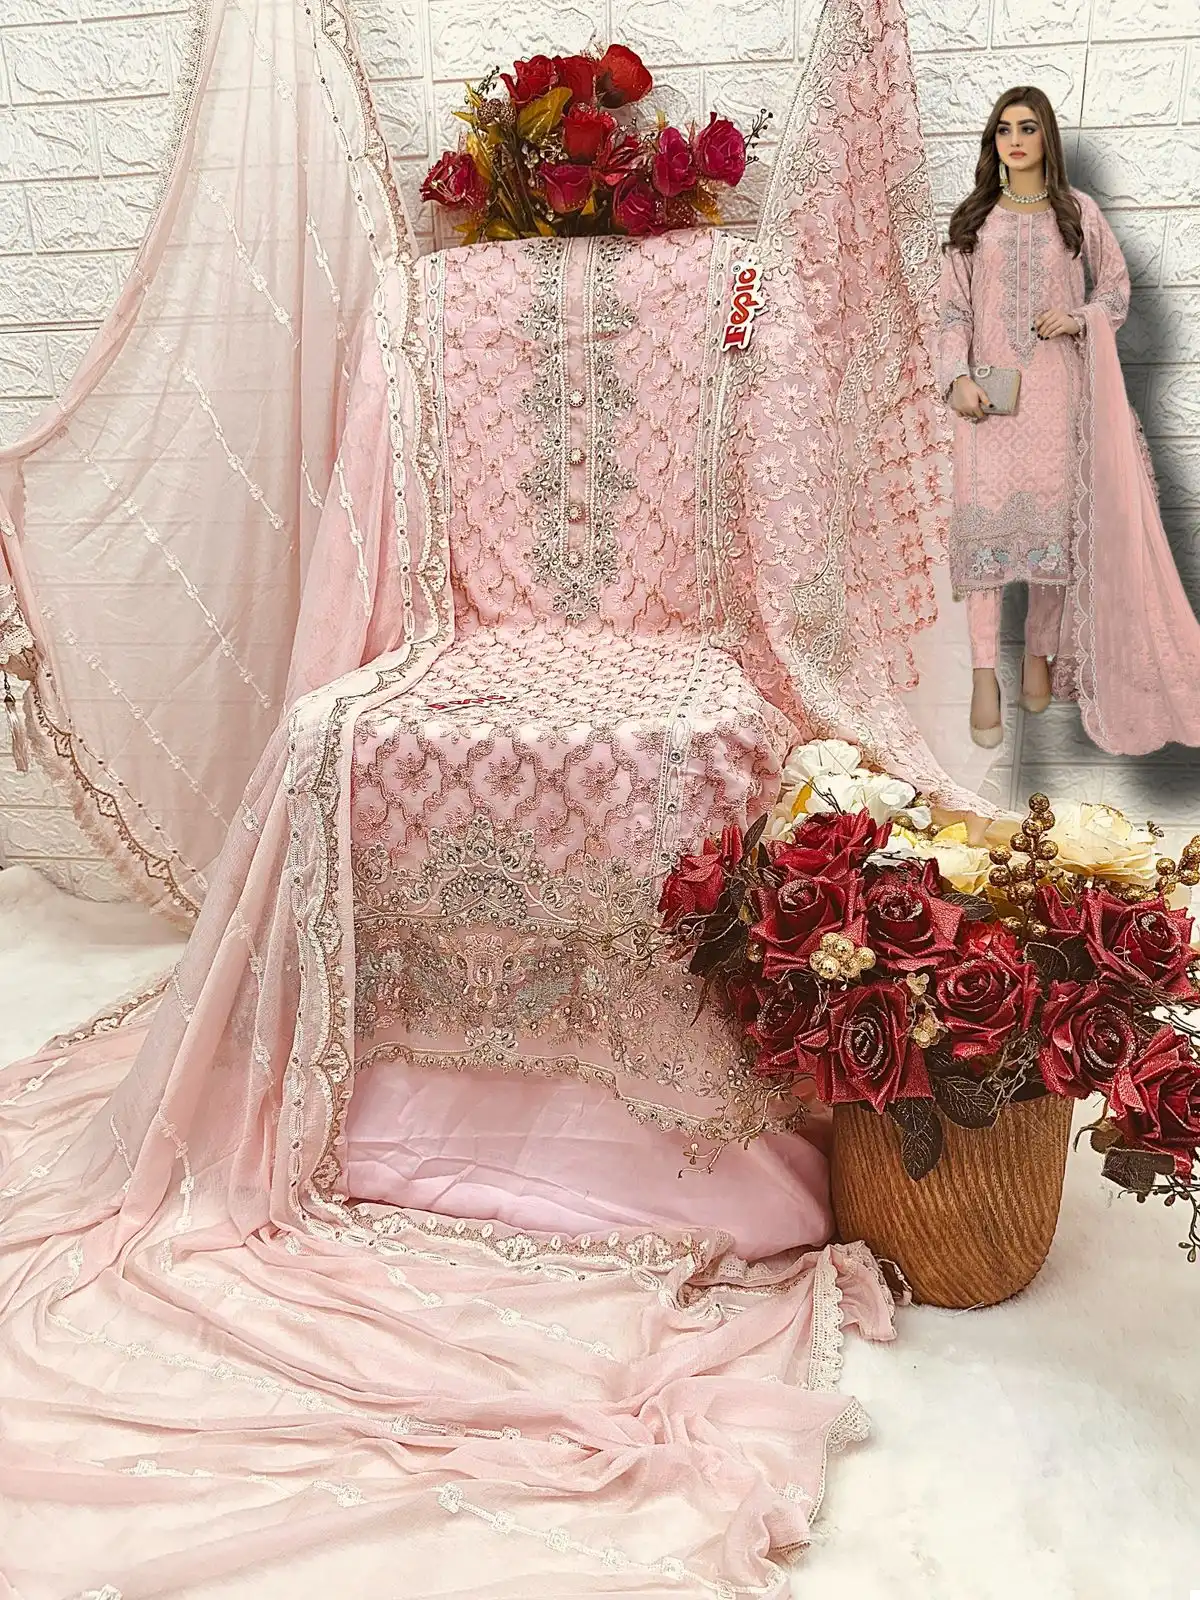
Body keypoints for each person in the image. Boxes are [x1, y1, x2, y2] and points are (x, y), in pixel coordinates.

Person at [938, 85, 1200, 755]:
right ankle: (983, 678)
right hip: (989, 404)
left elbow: (1115, 292)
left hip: (1059, 398)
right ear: (993, 142)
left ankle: (1038, 657)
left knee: (1052, 541)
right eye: (1004, 130)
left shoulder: (1076, 213)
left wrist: (1078, 318)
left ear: (1047, 136)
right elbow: (953, 313)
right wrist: (955, 378)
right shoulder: (973, 220)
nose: (1015, 140)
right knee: (987, 540)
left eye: (1028, 128)